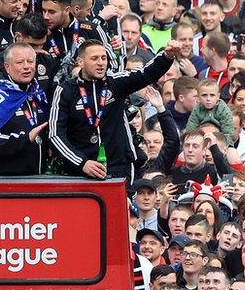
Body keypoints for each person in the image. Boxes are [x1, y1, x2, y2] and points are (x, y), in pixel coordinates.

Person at [49, 39, 178, 183]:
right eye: (94, 58)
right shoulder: (65, 90)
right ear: (80, 62)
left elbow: (146, 74)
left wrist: (166, 57)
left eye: (104, 58)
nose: (101, 63)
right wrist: (82, 163)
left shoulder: (116, 82)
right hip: (81, 172)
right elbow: (55, 134)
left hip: (119, 167)